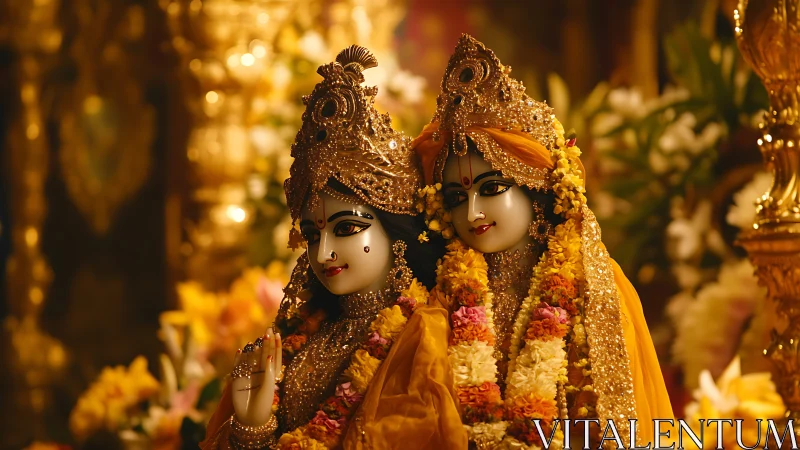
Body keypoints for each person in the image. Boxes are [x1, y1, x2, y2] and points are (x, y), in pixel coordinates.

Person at [412, 34, 674, 448]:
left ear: (533, 188)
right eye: (458, 197)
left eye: (491, 188)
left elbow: (617, 425)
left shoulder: (592, 286)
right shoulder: (440, 296)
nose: (473, 212)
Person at [201, 45, 467, 450]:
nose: (323, 252)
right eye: (312, 234)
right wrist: (251, 428)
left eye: (346, 229)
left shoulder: (423, 335)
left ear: (393, 228)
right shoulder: (310, 330)